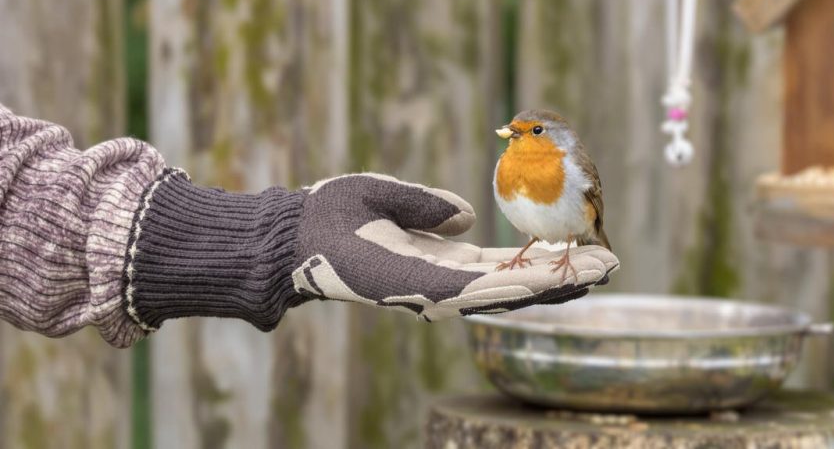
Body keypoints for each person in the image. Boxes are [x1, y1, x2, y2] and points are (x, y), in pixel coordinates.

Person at [0, 103, 618, 348]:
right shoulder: (512, 163)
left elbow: (20, 193)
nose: (516, 135)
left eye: (531, 131)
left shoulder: (570, 166)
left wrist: (276, 234)